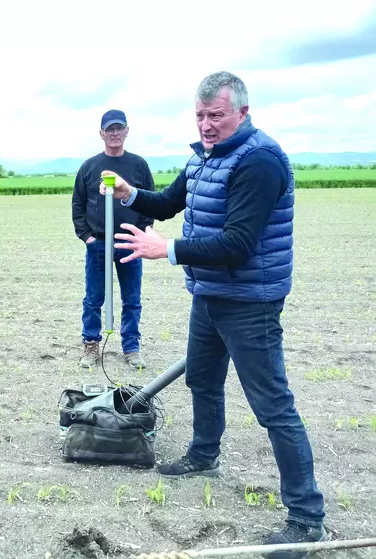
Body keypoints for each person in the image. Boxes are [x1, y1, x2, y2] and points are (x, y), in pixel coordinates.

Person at [101, 71, 326, 556]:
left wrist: (169, 250)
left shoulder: (260, 161)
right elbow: (168, 202)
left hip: (250, 300)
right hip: (210, 294)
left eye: (215, 115)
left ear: (242, 113)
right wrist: (130, 195)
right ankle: (204, 455)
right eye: (200, 115)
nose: (205, 124)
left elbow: (239, 244)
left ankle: (307, 518)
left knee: (273, 406)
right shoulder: (204, 157)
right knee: (202, 379)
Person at [72, 109, 154, 370]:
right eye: (110, 129)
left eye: (119, 128)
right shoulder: (89, 167)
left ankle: (131, 347)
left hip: (129, 243)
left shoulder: (139, 165)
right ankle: (91, 346)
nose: (115, 133)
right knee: (93, 297)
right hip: (98, 243)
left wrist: (141, 232)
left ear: (127, 131)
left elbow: (150, 201)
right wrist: (86, 237)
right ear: (101, 134)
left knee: (132, 298)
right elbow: (78, 204)